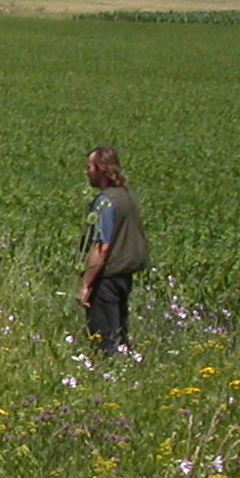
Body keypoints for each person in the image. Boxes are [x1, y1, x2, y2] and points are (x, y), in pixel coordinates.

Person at [77, 147, 147, 353]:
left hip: (106, 278)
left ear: (100, 169)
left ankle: (107, 373)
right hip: (124, 276)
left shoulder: (105, 202)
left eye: (89, 166)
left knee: (104, 337)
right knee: (120, 332)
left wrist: (86, 285)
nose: (86, 171)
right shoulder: (127, 196)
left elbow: (102, 246)